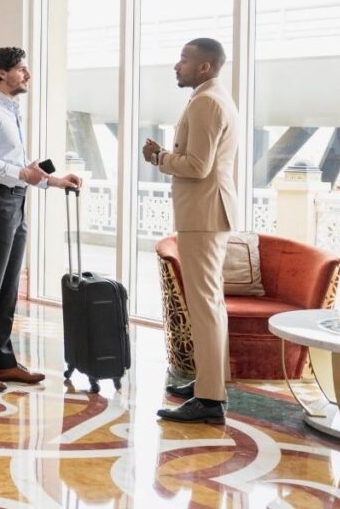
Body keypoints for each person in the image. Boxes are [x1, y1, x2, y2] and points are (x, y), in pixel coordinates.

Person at [0, 47, 82, 393]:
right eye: (21, 69)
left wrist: (56, 181)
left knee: (9, 288)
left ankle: (4, 362)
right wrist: (22, 173)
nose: (27, 75)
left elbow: (21, 168)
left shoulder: (10, 110)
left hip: (15, 202)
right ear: (2, 73)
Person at [144, 38, 239, 425]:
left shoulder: (206, 102)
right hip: (208, 212)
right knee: (210, 302)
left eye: (184, 59)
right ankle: (210, 382)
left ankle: (210, 399)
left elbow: (198, 166)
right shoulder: (215, 97)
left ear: (204, 67)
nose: (176, 65)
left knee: (204, 304)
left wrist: (159, 157)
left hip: (204, 215)